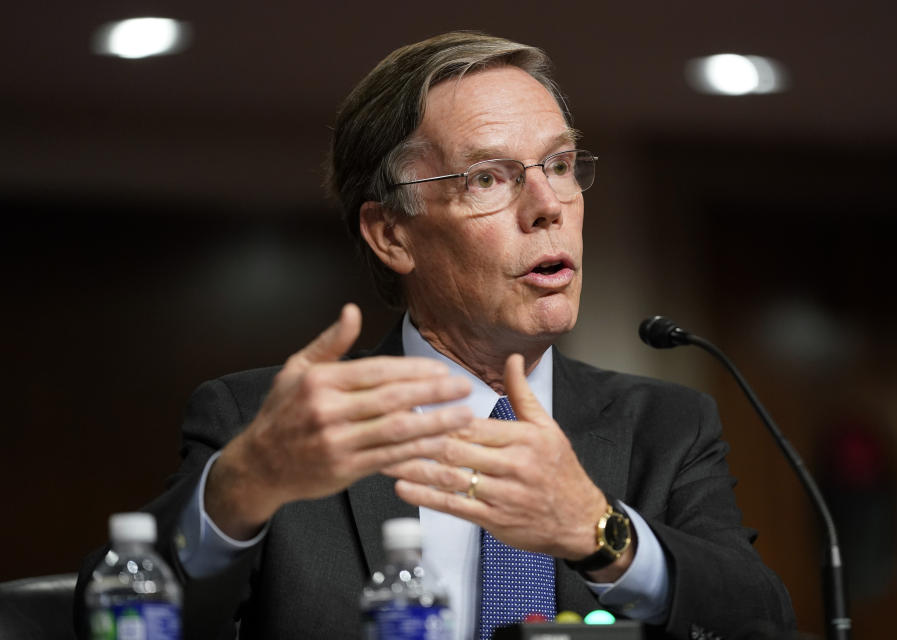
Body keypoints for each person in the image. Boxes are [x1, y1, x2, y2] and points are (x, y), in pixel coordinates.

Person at [76, 31, 795, 640]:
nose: (549, 206)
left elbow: (760, 623)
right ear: (392, 234)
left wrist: (602, 532)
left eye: (562, 166)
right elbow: (103, 619)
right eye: (490, 179)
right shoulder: (272, 427)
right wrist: (241, 486)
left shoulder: (664, 427)